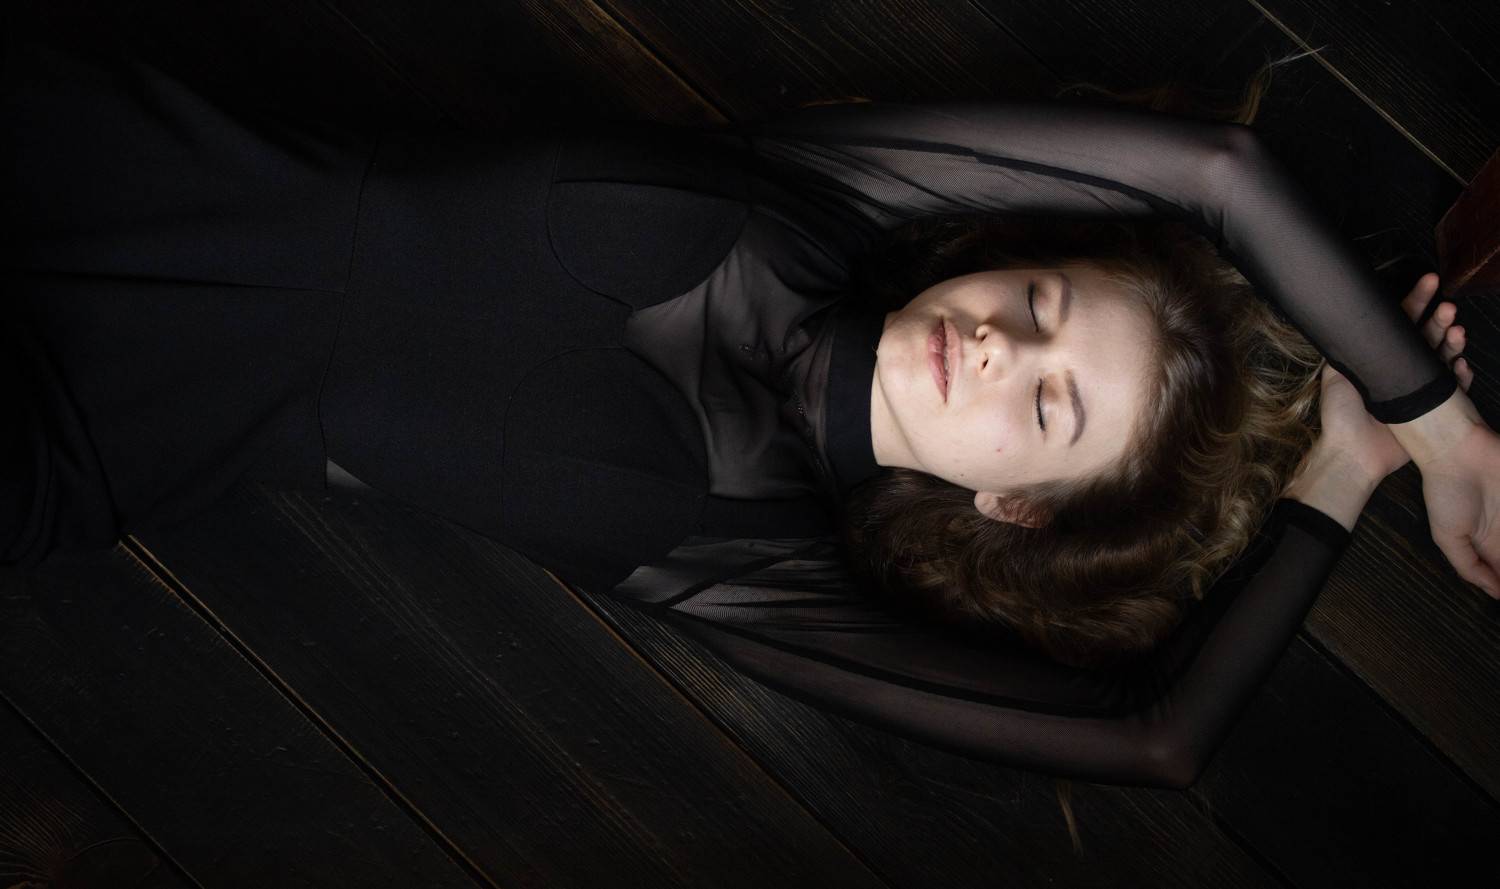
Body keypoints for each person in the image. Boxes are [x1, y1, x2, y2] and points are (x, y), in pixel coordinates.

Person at [4, 29, 1497, 810]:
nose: (997, 346)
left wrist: (1344, 468)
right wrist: (1444, 424)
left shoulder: (756, 564)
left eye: (1048, 406)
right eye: (1040, 302)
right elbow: (1216, 176)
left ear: (1018, 506)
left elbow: (1159, 740)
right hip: (93, 156)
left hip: (78, 431)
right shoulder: (820, 197)